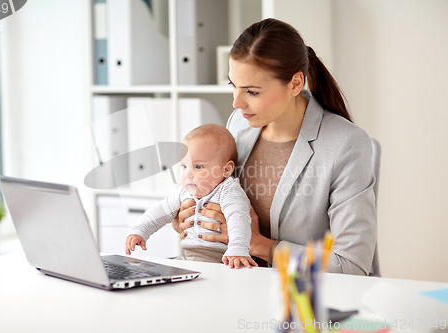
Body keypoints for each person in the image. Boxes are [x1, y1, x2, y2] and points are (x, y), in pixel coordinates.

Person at [173, 18, 378, 275]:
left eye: (252, 92)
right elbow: (218, 195)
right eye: (233, 86)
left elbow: (352, 265)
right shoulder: (239, 124)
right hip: (235, 284)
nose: (237, 103)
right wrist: (190, 219)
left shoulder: (345, 143)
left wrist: (261, 245)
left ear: (295, 83)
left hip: (302, 299)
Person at [125, 124, 258, 269]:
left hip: (218, 261)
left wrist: (238, 248)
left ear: (226, 169)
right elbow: (161, 210)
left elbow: (238, 217)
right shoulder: (184, 192)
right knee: (154, 270)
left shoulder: (228, 191)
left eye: (198, 166)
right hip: (189, 257)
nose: (188, 173)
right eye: (184, 166)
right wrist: (140, 231)